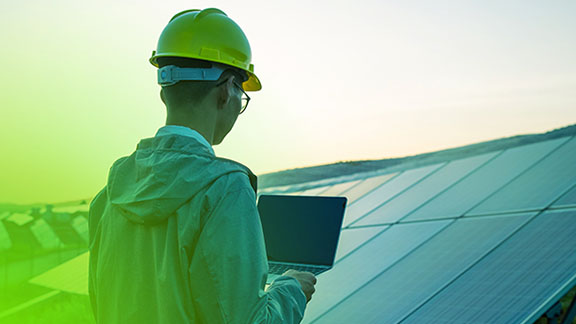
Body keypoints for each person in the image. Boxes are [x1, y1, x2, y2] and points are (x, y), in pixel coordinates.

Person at [88, 8, 317, 324]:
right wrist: (291, 290)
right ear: (226, 90)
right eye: (242, 96)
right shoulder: (225, 190)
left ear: (164, 91)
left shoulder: (110, 195)